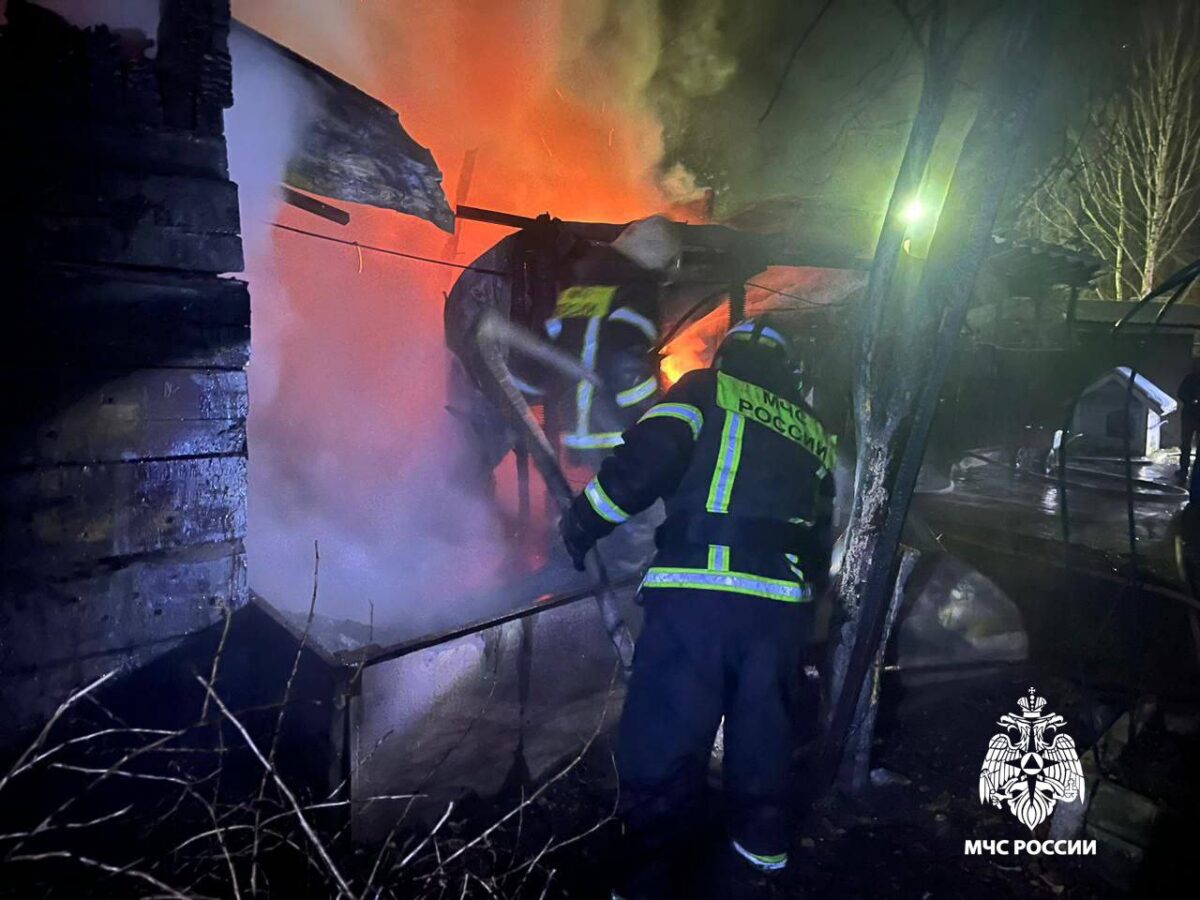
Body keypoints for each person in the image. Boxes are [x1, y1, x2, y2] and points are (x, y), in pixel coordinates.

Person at [559, 318, 837, 898]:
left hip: (699, 597)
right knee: (763, 739)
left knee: (665, 739)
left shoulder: (707, 389)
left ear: (730, 353)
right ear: (789, 369)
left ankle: (647, 880)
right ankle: (760, 868)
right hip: (779, 610)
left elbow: (646, 460)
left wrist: (584, 521)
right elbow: (819, 532)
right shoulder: (814, 430)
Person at [1178, 359, 1200, 482]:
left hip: (1190, 416)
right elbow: (1181, 393)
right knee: (1186, 445)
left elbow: (1181, 393)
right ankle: (1184, 470)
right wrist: (1191, 400)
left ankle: (1186, 471)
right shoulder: (1190, 378)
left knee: (1186, 445)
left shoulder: (1190, 378)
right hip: (1189, 416)